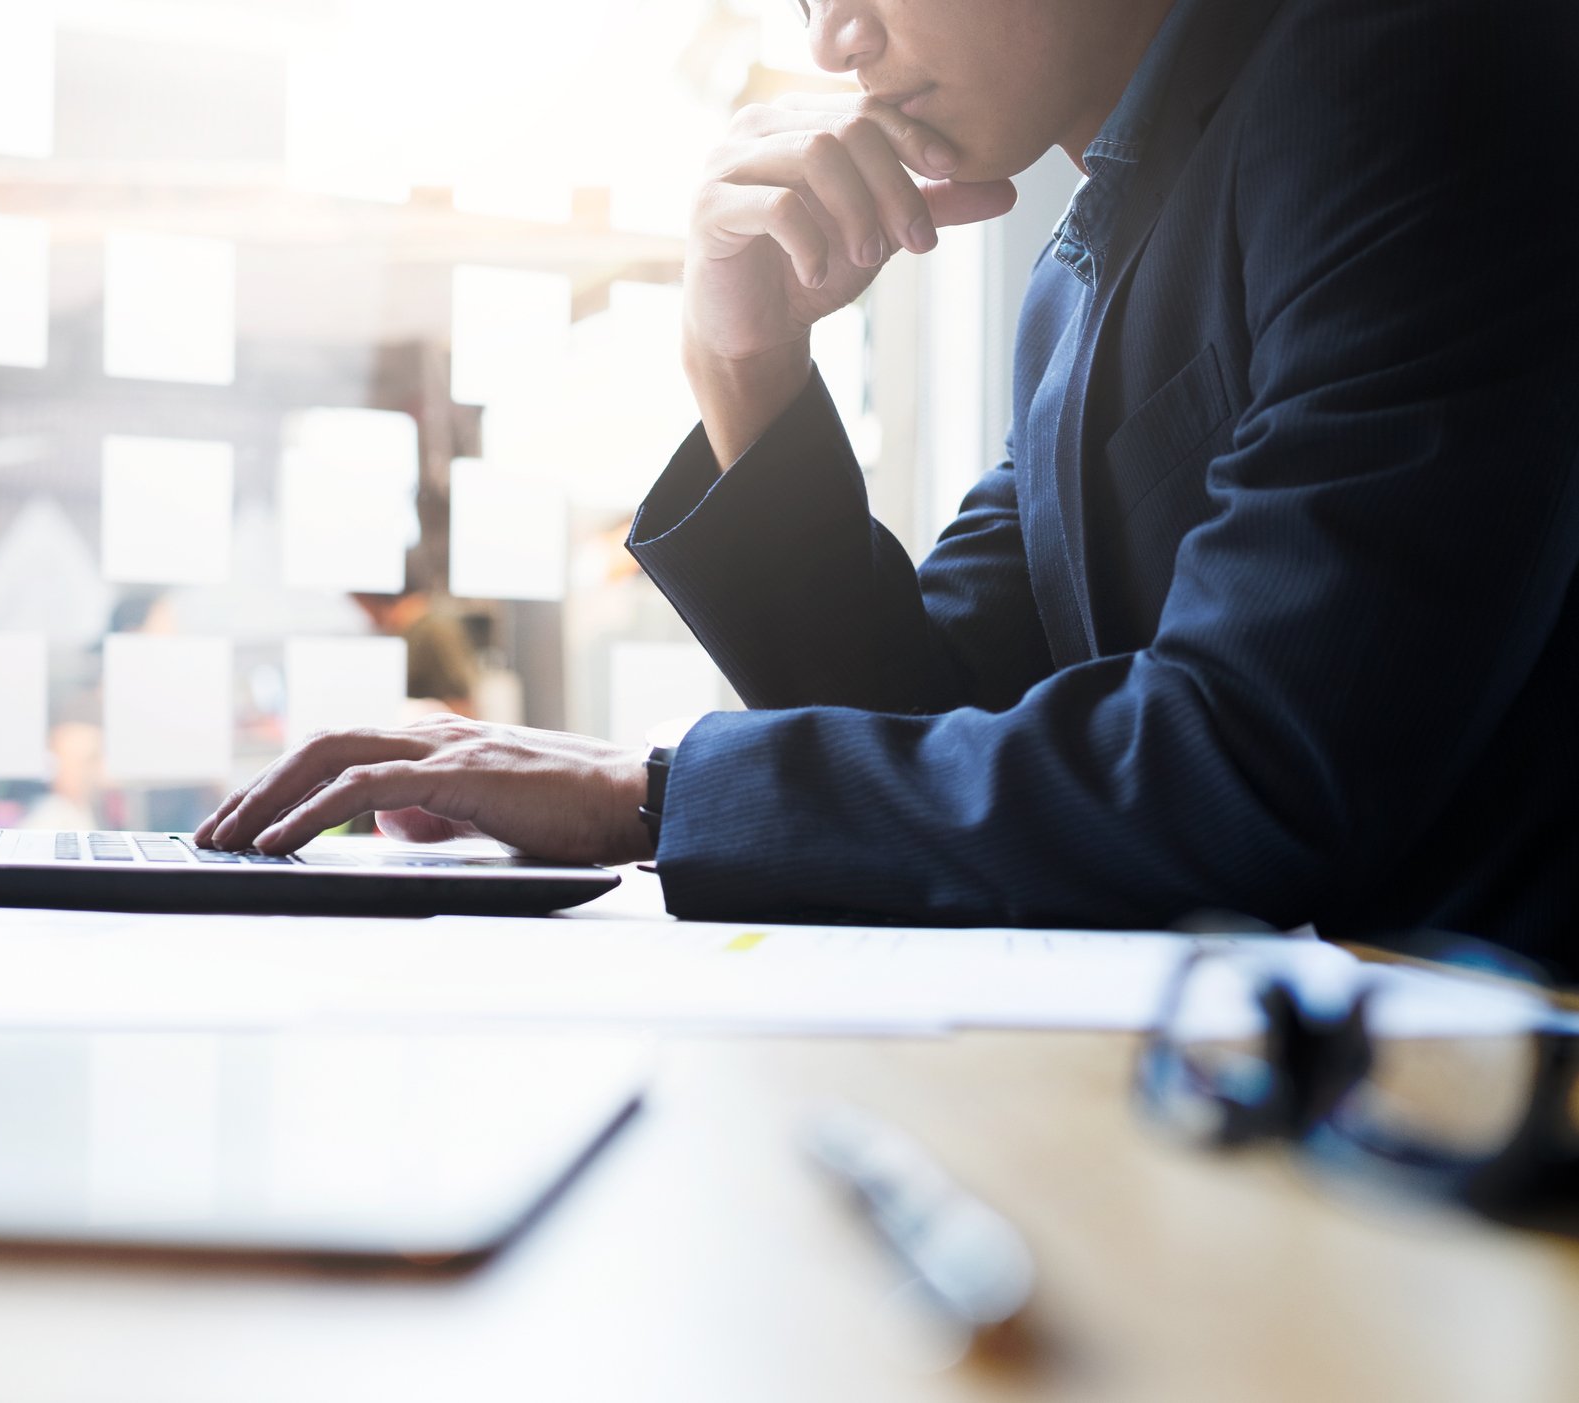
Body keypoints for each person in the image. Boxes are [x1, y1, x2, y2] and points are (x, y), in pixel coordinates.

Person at [198, 0, 1579, 975]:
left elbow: (1256, 774)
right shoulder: (1086, 264)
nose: (829, 39)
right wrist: (745, 364)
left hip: (1489, 1130)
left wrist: (652, 793)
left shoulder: (1414, 77)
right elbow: (931, 723)